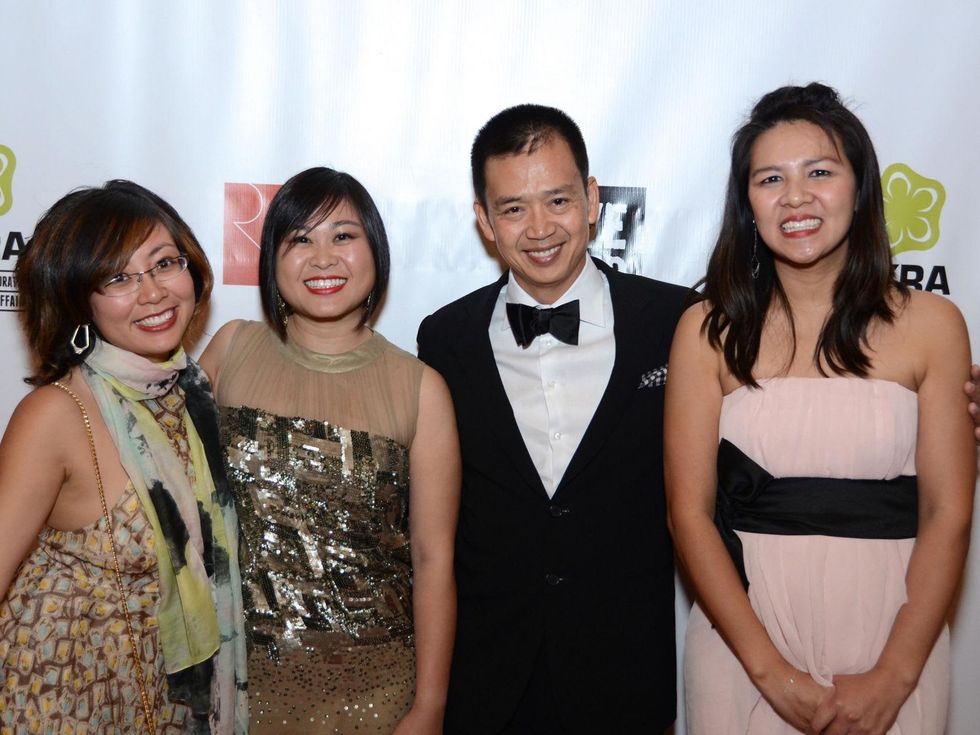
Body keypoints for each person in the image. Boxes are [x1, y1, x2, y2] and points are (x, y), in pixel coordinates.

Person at [666, 83, 976, 735]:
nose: (796, 197)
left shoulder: (933, 325)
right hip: (743, 650)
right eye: (770, 178)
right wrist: (770, 672)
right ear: (747, 202)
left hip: (896, 645)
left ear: (859, 186)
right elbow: (689, 514)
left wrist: (895, 674)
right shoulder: (706, 330)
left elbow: (948, 510)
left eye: (820, 172)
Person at [417, 105, 687, 734]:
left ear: (593, 200)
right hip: (486, 682)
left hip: (625, 677)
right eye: (513, 208)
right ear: (485, 221)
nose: (539, 228)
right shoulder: (445, 337)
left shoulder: (676, 322)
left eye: (558, 200)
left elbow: (763, 418)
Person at [200, 166, 459, 734]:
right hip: (235, 679)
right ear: (271, 257)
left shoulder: (420, 388)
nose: (323, 258)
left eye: (343, 236)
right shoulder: (231, 350)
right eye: (301, 239)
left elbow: (432, 558)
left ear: (376, 249)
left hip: (375, 688)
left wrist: (430, 706)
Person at [0, 180, 247, 734]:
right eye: (117, 277)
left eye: (164, 263)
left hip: (162, 698)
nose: (153, 291)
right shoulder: (55, 414)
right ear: (77, 298)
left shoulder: (192, 397)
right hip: (57, 698)